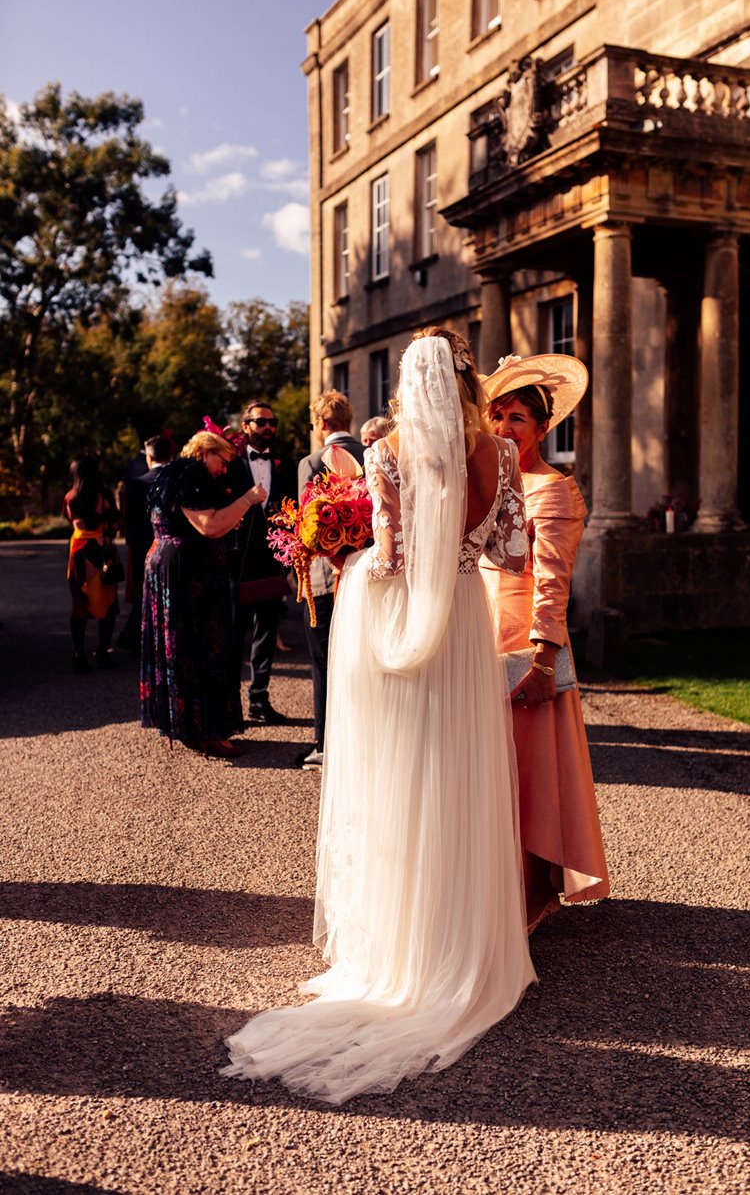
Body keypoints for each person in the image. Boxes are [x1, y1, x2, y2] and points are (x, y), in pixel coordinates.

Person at [223, 329, 535, 1103]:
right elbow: (514, 555)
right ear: (469, 381)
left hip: (402, 626)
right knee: (460, 771)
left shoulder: (388, 451)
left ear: (405, 382)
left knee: (404, 775)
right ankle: (460, 943)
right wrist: (462, 551)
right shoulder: (498, 452)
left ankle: (403, 945)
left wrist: (346, 552)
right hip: (464, 620)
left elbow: (390, 560)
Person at [479, 355, 610, 934]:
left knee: (528, 776)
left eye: (518, 419)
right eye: (498, 415)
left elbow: (554, 582)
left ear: (541, 429)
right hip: (476, 637)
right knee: (489, 772)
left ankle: (535, 895)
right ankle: (496, 885)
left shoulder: (550, 490)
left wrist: (543, 658)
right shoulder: (488, 481)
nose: (504, 427)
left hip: (524, 645)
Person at [140, 430, 266, 759]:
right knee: (201, 650)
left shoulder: (173, 473)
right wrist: (248, 500)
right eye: (222, 461)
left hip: (179, 570)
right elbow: (208, 526)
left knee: (187, 650)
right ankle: (205, 731)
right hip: (186, 576)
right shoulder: (190, 476)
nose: (224, 469)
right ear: (205, 452)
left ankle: (193, 727)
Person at [296, 391, 366, 769]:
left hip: (325, 579)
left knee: (323, 660)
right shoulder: (372, 455)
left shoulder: (311, 462)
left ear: (321, 423)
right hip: (368, 572)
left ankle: (324, 744)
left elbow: (307, 529)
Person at [227, 401, 290, 725]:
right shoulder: (231, 465)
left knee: (267, 631)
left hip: (272, 562)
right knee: (235, 632)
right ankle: (230, 705)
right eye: (261, 422)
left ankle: (259, 699)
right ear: (246, 426)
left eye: (272, 422)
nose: (268, 427)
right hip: (237, 563)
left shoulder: (283, 464)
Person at [65, 456, 121, 673]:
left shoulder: (71, 498)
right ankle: (103, 651)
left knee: (79, 604)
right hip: (102, 551)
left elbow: (71, 522)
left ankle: (79, 653)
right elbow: (116, 523)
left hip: (79, 553)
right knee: (108, 604)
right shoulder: (105, 496)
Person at [118, 434, 173, 653]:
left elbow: (129, 520)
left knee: (145, 595)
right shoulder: (178, 480)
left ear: (149, 456)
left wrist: (132, 545)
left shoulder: (137, 484)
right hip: (171, 547)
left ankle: (141, 639)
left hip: (144, 547)